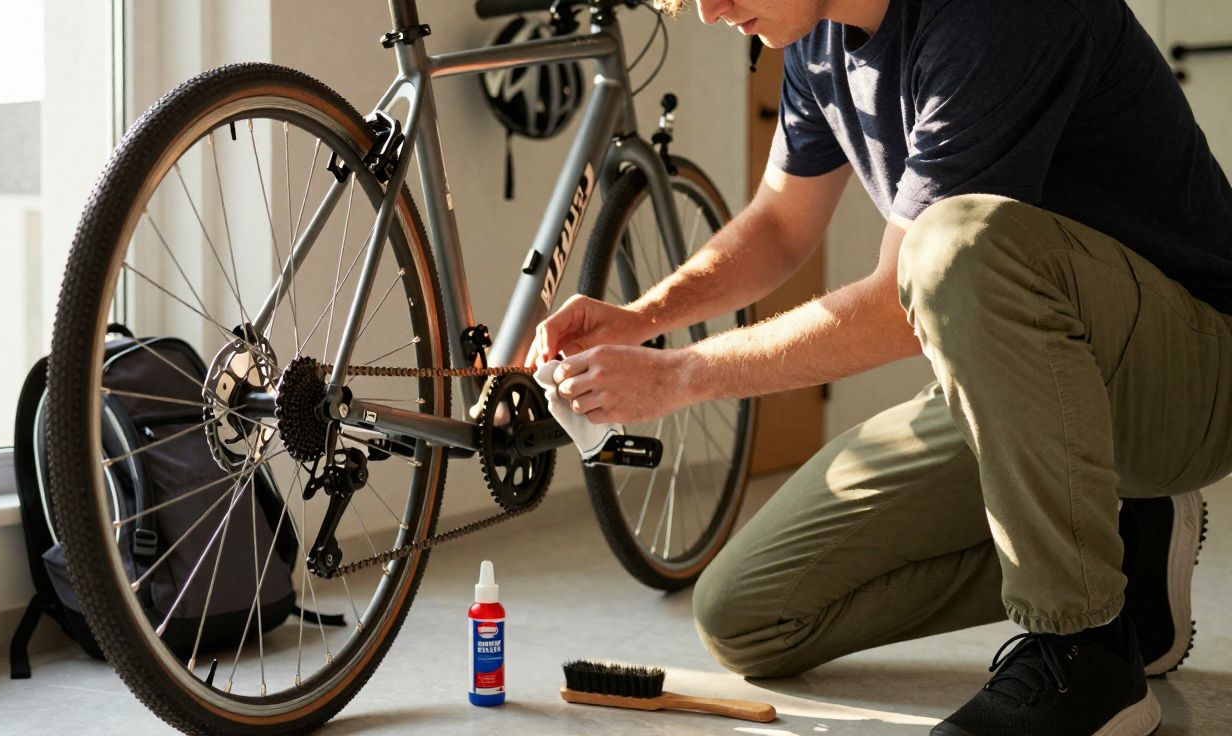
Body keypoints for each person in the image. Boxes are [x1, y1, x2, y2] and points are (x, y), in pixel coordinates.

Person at [526, 0, 1232, 734]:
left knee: (951, 244)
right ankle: (1123, 546)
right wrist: (640, 319)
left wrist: (677, 377)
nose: (708, 11)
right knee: (745, 615)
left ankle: (1083, 653)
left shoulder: (998, 17)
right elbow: (777, 224)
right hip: (1026, 393)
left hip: (1192, 374)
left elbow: (903, 301)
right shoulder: (814, 42)